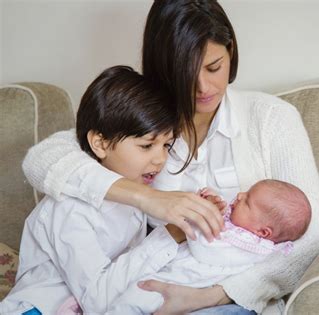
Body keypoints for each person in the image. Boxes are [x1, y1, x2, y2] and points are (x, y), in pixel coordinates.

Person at [21, 0, 319, 313]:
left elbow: (313, 233)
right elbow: (43, 159)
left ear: (231, 53)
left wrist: (216, 295)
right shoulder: (147, 122)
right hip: (148, 285)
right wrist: (149, 199)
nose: (203, 88)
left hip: (224, 299)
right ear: (162, 70)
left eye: (214, 67)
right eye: (186, 74)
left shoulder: (271, 118)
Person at [0, 65, 185, 315]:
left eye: (167, 145)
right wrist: (168, 236)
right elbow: (98, 299)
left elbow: (124, 275)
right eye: (147, 145)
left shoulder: (133, 188)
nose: (160, 159)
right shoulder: (70, 208)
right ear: (100, 143)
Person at [57, 179, 312, 314]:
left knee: (134, 299)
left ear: (263, 232)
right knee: (121, 287)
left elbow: (206, 248)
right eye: (245, 193)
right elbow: (220, 220)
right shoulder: (243, 228)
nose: (240, 196)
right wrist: (210, 203)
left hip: (180, 286)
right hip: (166, 268)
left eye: (247, 202)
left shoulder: (248, 247)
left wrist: (195, 226)